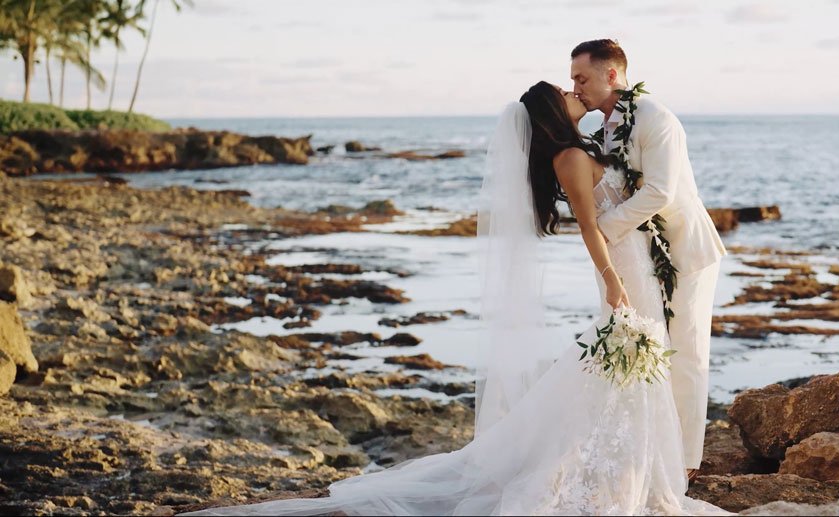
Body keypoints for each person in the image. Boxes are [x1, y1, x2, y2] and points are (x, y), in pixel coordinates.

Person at [178, 81, 731, 515]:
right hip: (622, 266)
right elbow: (589, 226)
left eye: (575, 84)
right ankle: (625, 470)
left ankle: (636, 466)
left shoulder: (590, 141)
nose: (573, 92)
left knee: (630, 363)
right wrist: (610, 280)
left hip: (637, 259)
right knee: (628, 362)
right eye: (565, 92)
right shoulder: (567, 158)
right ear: (552, 113)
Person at [570, 39, 728, 479]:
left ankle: (687, 462)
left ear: (612, 76)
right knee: (650, 345)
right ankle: (653, 448)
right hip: (643, 253)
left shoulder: (656, 118)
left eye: (582, 78)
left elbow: (661, 191)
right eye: (573, 80)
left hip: (686, 250)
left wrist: (604, 230)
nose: (576, 87)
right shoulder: (605, 128)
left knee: (688, 351)